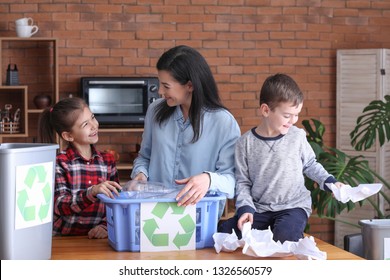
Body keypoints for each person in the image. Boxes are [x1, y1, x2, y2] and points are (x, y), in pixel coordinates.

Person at [218, 73, 344, 243]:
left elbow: (310, 165)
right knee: (224, 231)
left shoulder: (297, 136)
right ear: (265, 110)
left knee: (285, 235)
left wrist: (330, 182)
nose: (293, 120)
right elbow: (243, 182)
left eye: (296, 114)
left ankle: (283, 235)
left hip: (292, 207)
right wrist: (246, 208)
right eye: (287, 115)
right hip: (260, 209)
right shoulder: (245, 143)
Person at [131, 45, 241, 208]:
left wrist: (209, 179)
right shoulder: (155, 111)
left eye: (166, 86)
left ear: (190, 85)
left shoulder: (223, 122)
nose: (160, 91)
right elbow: (144, 157)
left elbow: (232, 181)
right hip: (154, 213)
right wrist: (141, 173)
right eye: (160, 84)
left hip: (200, 214)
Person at [38, 97, 122, 239]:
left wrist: (105, 226)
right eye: (85, 124)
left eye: (93, 117)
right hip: (62, 239)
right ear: (68, 135)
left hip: (96, 239)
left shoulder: (108, 160)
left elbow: (116, 202)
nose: (94, 125)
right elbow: (59, 204)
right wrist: (92, 192)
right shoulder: (60, 162)